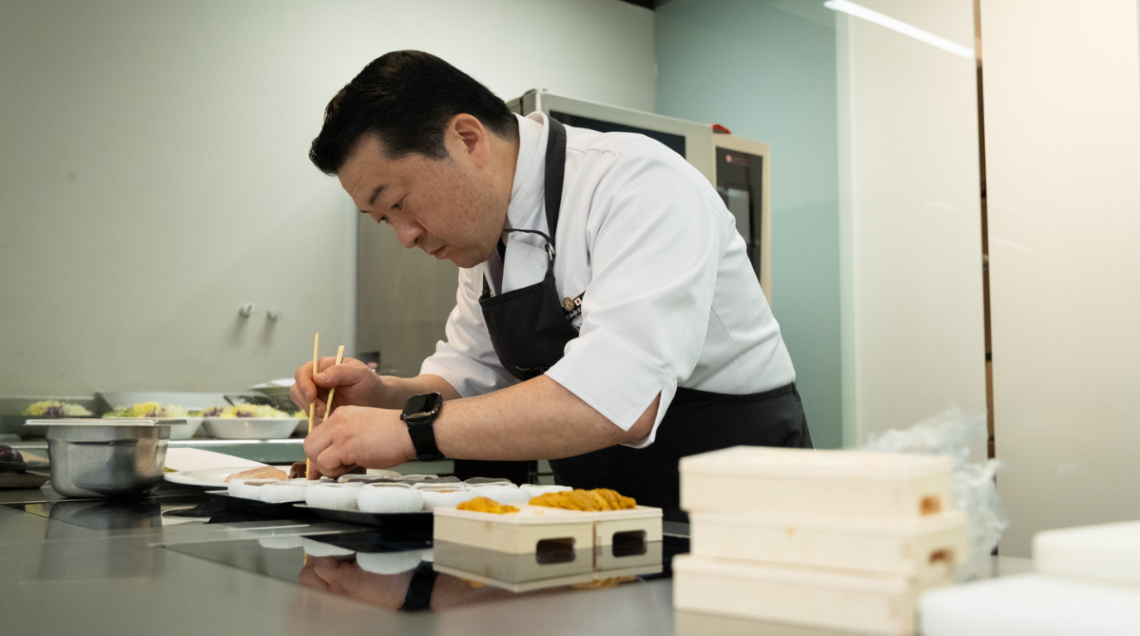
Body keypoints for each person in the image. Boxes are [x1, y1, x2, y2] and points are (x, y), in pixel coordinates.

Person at [292, 50, 811, 521]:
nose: (405, 237)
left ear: (467, 139)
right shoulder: (484, 241)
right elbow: (471, 375)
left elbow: (618, 399)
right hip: (603, 511)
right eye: (384, 220)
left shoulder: (636, 182)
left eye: (400, 203)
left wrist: (410, 432)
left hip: (740, 502)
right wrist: (384, 397)